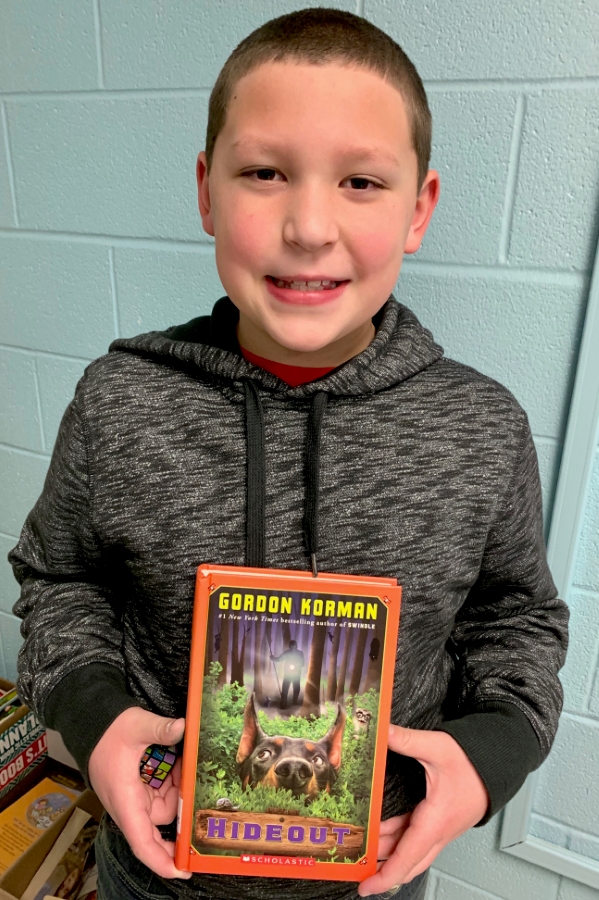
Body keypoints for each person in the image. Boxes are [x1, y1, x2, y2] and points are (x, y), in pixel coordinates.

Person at [8, 8, 568, 900]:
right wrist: (94, 714)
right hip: (157, 869)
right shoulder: (121, 402)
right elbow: (60, 579)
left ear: (419, 208)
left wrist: (491, 750)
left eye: (360, 182)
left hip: (373, 875)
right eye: (264, 173)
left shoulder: (481, 427)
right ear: (205, 191)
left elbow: (517, 622)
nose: (308, 226)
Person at [271, 640, 304, 708]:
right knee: (285, 689)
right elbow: (279, 659)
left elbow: (302, 663)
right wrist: (273, 658)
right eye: (291, 645)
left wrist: (298, 665)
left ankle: (294, 702)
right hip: (288, 673)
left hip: (296, 674)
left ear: (296, 646)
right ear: (289, 646)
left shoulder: (300, 653)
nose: (293, 647)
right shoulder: (286, 653)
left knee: (296, 689)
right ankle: (283, 703)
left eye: (294, 645)